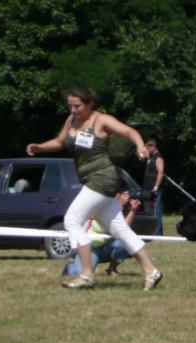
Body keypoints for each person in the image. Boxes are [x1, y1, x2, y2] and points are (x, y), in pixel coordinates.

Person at [26, 86, 162, 290]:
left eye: (77, 106)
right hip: (92, 180)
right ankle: (152, 271)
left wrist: (140, 146)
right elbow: (60, 142)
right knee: (120, 229)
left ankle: (87, 274)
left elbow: (129, 131)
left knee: (71, 220)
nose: (72, 110)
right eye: (70, 106)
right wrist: (39, 147)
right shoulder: (71, 121)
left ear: (89, 104)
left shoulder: (101, 120)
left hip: (103, 178)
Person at [63, 191, 139, 279]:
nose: (125, 197)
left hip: (106, 245)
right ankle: (70, 265)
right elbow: (103, 217)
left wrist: (133, 210)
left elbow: (124, 230)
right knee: (77, 274)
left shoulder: (117, 208)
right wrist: (119, 205)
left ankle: (111, 269)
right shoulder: (99, 200)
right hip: (91, 246)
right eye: (122, 193)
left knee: (126, 242)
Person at [145, 137, 165, 235]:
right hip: (149, 188)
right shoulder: (151, 157)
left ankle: (158, 233)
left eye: (147, 148)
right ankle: (153, 232)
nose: (147, 150)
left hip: (156, 189)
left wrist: (156, 187)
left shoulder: (158, 157)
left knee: (157, 211)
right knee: (151, 212)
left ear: (152, 146)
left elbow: (160, 173)